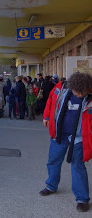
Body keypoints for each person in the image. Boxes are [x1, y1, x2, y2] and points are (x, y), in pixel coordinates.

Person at [39, 72, 92, 213]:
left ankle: (82, 199)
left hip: (79, 138)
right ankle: (51, 185)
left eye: (83, 92)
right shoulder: (60, 88)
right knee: (53, 161)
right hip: (59, 135)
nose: (80, 95)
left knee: (78, 166)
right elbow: (50, 101)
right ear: (72, 87)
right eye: (77, 92)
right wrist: (46, 116)